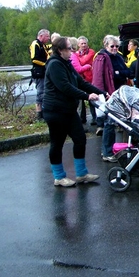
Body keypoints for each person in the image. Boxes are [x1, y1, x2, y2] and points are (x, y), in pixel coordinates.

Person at [42, 37, 105, 187]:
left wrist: (102, 92)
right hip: (55, 111)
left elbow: (81, 83)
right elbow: (64, 87)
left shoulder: (66, 63)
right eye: (69, 48)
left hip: (69, 110)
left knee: (80, 138)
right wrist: (86, 96)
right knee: (57, 144)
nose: (72, 51)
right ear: (60, 50)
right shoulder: (54, 65)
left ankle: (81, 174)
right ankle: (59, 177)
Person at [92, 35, 132, 161]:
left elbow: (129, 72)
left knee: (123, 122)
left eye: (117, 46)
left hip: (120, 93)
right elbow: (98, 78)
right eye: (112, 46)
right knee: (109, 123)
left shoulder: (119, 57)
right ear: (106, 46)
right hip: (109, 94)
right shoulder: (101, 58)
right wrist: (102, 93)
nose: (115, 48)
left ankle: (124, 147)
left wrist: (118, 73)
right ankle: (107, 152)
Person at [71, 36, 96, 125]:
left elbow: (84, 60)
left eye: (85, 43)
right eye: (82, 43)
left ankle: (95, 118)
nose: (84, 45)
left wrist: (78, 60)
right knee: (81, 100)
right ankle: (82, 119)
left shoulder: (91, 52)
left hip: (90, 79)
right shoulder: (76, 54)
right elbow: (80, 65)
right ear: (78, 44)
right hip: (81, 79)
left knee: (92, 100)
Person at [30, 29, 51, 121]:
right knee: (40, 92)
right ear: (41, 36)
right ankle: (39, 115)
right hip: (38, 72)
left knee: (44, 92)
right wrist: (45, 64)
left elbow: (49, 47)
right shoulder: (35, 44)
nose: (48, 38)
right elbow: (34, 59)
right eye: (47, 36)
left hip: (43, 72)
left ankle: (44, 114)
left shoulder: (43, 45)